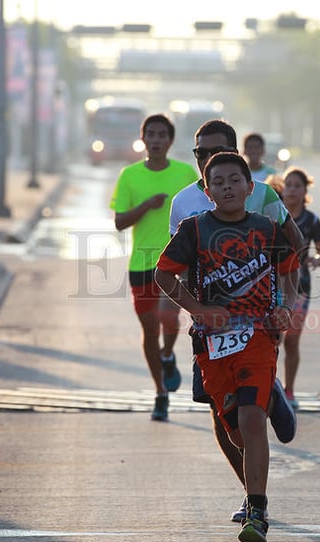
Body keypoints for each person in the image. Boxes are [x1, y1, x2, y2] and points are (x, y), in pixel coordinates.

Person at [155, 152, 299, 542]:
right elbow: (163, 274)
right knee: (236, 432)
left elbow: (290, 269)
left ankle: (257, 512)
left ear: (249, 187)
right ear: (207, 190)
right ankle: (271, 400)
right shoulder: (194, 230)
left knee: (252, 424)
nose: (227, 188)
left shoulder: (266, 229)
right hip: (213, 344)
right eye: (217, 182)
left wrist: (285, 306)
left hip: (257, 336)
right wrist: (199, 309)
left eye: (235, 180)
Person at [110, 114, 199, 421]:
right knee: (149, 330)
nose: (157, 140)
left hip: (175, 263)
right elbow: (120, 222)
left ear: (170, 140)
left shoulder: (185, 173)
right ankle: (160, 392)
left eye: (163, 134)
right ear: (143, 138)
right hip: (141, 264)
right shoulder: (129, 175)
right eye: (151, 134)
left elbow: (202, 212)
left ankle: (167, 354)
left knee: (168, 317)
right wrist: (146, 206)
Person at [278, 167, 320, 409]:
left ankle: (289, 390)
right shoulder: (273, 214)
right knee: (272, 338)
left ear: (305, 190)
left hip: (300, 286)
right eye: (288, 185)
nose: (292, 190)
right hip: (273, 284)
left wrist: (316, 259)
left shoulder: (312, 220)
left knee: (291, 341)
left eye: (297, 185)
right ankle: (268, 386)